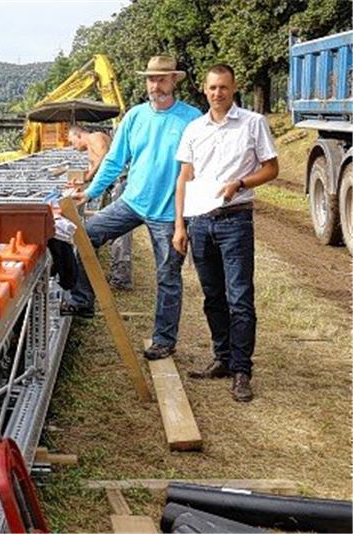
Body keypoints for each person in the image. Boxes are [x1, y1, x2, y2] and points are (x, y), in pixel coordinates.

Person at [61, 55, 202, 361]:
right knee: (84, 236)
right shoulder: (135, 117)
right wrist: (91, 191)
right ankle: (83, 299)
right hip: (132, 201)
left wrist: (187, 219)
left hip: (168, 213)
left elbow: (201, 168)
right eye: (151, 79)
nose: (156, 85)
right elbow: (114, 161)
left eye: (162, 79)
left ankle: (164, 340)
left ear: (174, 80)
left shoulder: (192, 118)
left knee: (168, 275)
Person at [173, 64, 278, 402]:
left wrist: (241, 183)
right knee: (213, 296)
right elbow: (184, 178)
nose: (218, 93)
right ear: (204, 90)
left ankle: (242, 370)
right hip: (200, 222)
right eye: (212, 88)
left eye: (223, 87)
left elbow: (271, 168)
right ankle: (222, 358)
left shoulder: (253, 123)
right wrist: (180, 225)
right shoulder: (193, 129)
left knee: (240, 298)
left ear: (234, 88)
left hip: (235, 220)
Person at [68, 124, 132, 289]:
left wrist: (89, 175)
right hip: (113, 186)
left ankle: (122, 276)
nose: (73, 147)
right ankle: (118, 274)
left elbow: (106, 157)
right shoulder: (90, 147)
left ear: (79, 134)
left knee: (121, 232)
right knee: (113, 231)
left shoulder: (95, 136)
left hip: (120, 184)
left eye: (72, 141)